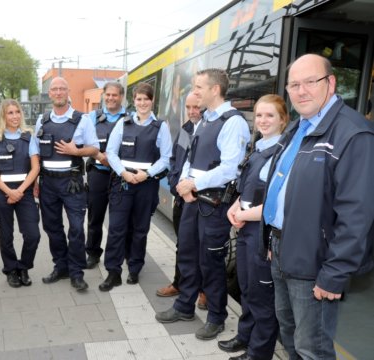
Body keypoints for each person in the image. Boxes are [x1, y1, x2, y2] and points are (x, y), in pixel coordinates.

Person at [260, 54, 374, 359]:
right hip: (283, 250)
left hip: (315, 263)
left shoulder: (353, 133)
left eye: (310, 82)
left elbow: (357, 214)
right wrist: (271, 236)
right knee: (290, 336)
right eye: (294, 84)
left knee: (313, 348)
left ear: (331, 83)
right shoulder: (298, 127)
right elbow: (282, 186)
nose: (301, 91)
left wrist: (335, 273)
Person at [155, 68, 250, 341]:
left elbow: (230, 168)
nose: (194, 93)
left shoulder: (232, 123)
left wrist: (193, 184)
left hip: (214, 205)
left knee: (211, 262)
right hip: (192, 201)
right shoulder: (206, 120)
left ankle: (217, 317)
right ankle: (184, 306)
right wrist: (185, 185)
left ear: (215, 90)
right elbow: (189, 159)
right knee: (187, 255)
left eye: (199, 88)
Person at [219, 95, 287, 360]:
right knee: (246, 287)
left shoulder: (281, 154)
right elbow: (248, 187)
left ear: (283, 119)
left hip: (263, 234)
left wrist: (245, 214)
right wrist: (235, 206)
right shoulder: (258, 147)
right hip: (247, 227)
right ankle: (244, 336)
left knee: (262, 298)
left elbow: (275, 204)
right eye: (259, 115)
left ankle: (259, 353)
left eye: (270, 115)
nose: (263, 120)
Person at [98, 82, 172, 291]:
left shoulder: (161, 127)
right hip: (123, 184)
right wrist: (123, 173)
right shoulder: (123, 123)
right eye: (138, 99)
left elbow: (166, 158)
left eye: (146, 99)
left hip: (146, 185)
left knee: (140, 230)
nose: (142, 103)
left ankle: (134, 268)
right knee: (116, 229)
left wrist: (146, 174)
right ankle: (113, 272)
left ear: (152, 101)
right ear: (134, 101)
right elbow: (111, 152)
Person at [36, 77, 99, 291]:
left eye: (62, 88)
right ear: (50, 93)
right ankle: (60, 267)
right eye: (55, 89)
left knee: (76, 229)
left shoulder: (82, 119)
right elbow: (35, 153)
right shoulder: (42, 120)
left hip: (72, 183)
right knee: (52, 227)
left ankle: (76, 273)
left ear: (68, 91)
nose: (59, 92)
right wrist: (35, 180)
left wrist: (76, 151)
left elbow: (95, 149)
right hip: (47, 183)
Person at [155, 91, 207, 311]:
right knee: (182, 245)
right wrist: (176, 185)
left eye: (197, 107)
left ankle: (204, 291)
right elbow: (176, 160)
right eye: (189, 107)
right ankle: (180, 283)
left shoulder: (210, 130)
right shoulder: (186, 130)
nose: (193, 112)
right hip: (181, 197)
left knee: (203, 248)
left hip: (200, 199)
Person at [0, 99, 41, 288]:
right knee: (6, 236)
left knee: (33, 235)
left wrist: (20, 191)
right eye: (10, 113)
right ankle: (10, 270)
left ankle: (23, 266)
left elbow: (35, 168)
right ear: (3, 115)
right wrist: (9, 191)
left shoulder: (28, 137)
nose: (15, 116)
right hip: (2, 193)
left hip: (23, 192)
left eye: (17, 112)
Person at [85, 81, 128, 269]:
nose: (111, 98)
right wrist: (98, 155)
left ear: (121, 97)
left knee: (119, 220)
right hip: (98, 175)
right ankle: (93, 253)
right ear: (103, 95)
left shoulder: (130, 118)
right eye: (108, 95)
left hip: (120, 177)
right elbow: (82, 142)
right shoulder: (93, 117)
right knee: (95, 217)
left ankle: (117, 255)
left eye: (115, 95)